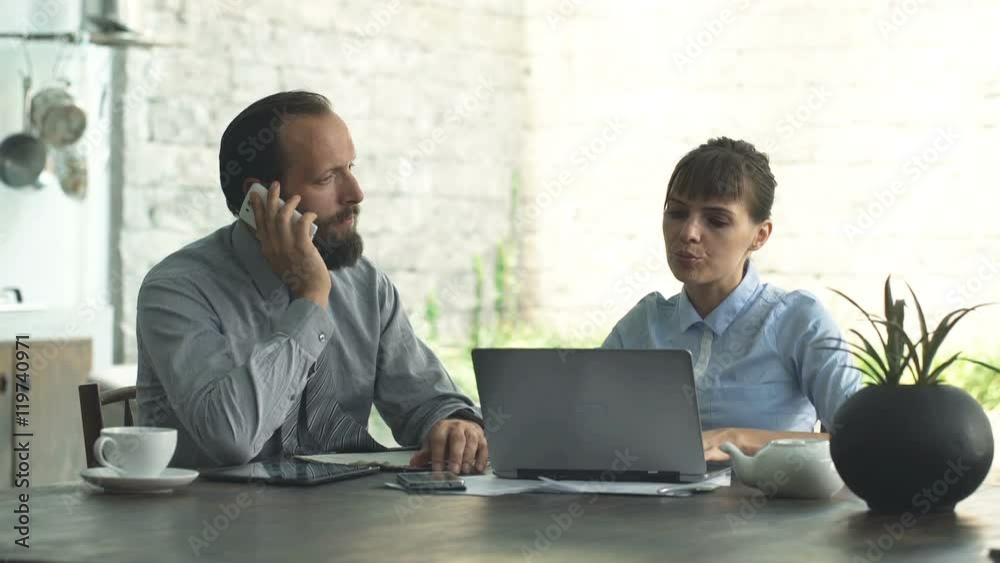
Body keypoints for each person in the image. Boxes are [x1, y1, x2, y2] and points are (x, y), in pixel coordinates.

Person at [136, 91, 487, 474]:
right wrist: (310, 300)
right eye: (327, 177)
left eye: (351, 167)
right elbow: (230, 438)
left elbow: (426, 402)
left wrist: (455, 424)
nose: (355, 193)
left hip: (346, 518)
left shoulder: (365, 285)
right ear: (258, 201)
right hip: (215, 524)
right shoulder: (177, 290)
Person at [602, 137, 861, 461]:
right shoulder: (644, 324)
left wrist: (736, 438)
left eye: (716, 220)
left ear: (760, 235)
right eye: (678, 213)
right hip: (650, 510)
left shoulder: (797, 321)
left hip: (770, 509)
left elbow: (862, 437)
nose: (689, 233)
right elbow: (583, 427)